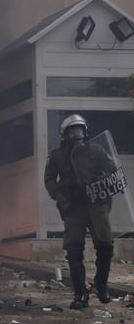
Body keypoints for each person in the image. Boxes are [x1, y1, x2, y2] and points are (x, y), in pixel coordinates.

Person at [44, 114, 115, 309]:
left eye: (79, 130)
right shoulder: (57, 155)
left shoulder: (96, 150)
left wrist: (101, 180)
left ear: (85, 131)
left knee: (106, 246)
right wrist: (61, 198)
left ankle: (101, 284)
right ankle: (80, 293)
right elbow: (49, 180)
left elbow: (112, 171)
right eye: (72, 131)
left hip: (96, 205)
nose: (77, 134)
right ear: (65, 135)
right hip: (73, 207)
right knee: (74, 249)